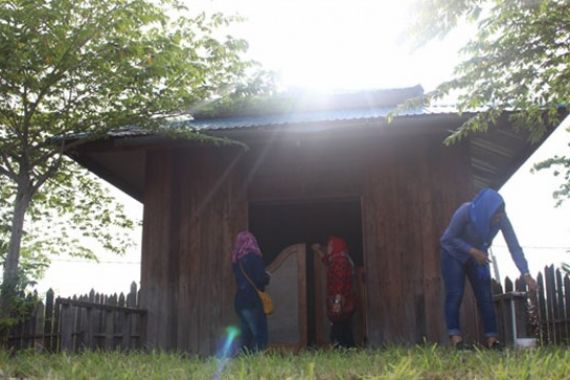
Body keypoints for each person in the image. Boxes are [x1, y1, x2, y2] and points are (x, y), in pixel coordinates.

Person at [440, 188, 538, 349]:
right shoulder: (465, 211)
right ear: (486, 211)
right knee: (455, 293)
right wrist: (472, 251)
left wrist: (525, 273)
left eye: (500, 216)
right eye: (496, 217)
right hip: (453, 254)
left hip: (479, 255)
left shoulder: (502, 220)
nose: (498, 220)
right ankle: (456, 340)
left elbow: (514, 247)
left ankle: (492, 340)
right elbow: (448, 239)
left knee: (485, 295)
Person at [311, 236, 356, 348]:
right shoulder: (337, 259)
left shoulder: (340, 261)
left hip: (341, 300)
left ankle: (341, 350)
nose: (329, 248)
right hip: (343, 299)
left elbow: (340, 281)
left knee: (339, 327)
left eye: (331, 245)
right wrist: (317, 250)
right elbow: (327, 261)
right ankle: (348, 351)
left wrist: (337, 301)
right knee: (344, 326)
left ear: (337, 246)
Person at [232, 231, 271, 353]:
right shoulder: (254, 257)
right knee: (259, 333)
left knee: (246, 334)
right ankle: (258, 359)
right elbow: (260, 279)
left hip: (240, 301)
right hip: (252, 300)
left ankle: (244, 360)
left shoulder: (236, 260)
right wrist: (267, 277)